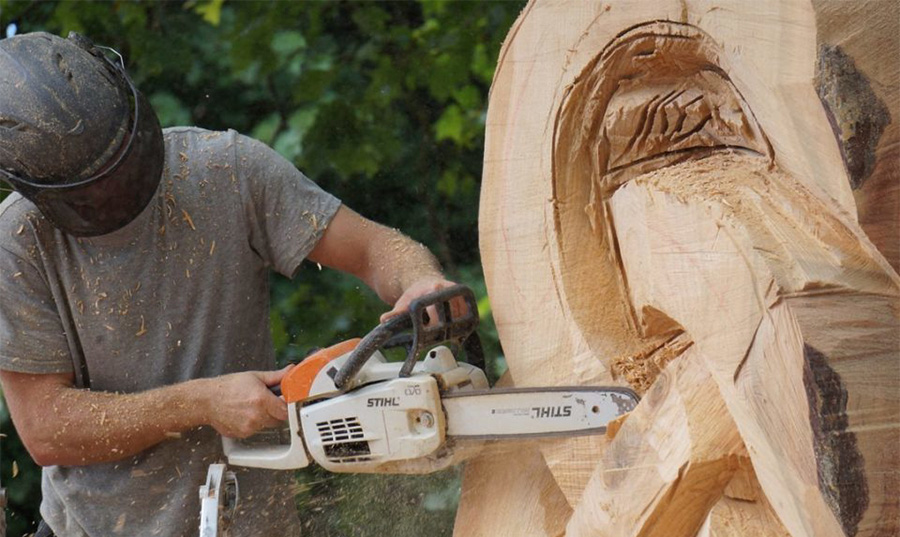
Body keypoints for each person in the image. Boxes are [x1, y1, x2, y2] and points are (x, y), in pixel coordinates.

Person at [0, 32, 457, 536]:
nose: (119, 188)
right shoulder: (17, 242)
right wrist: (202, 403)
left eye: (122, 164)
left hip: (253, 523)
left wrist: (419, 281)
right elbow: (47, 428)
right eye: (95, 187)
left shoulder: (224, 170)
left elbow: (373, 248)